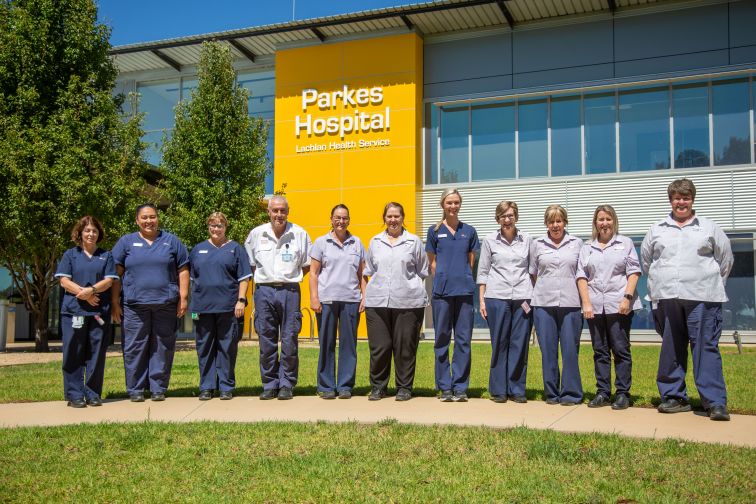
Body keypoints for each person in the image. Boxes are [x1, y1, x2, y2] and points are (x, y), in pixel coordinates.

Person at [641, 178, 734, 421]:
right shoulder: (657, 228)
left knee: (705, 347)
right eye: (676, 197)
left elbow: (726, 260)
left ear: (693, 199)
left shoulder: (709, 227)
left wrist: (711, 284)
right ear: (670, 200)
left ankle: (714, 402)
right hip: (668, 297)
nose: (681, 202)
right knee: (671, 347)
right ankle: (674, 396)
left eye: (685, 197)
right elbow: (647, 262)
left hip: (703, 297)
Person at [112, 204, 189, 402]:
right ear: (137, 220)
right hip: (134, 306)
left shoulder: (171, 241)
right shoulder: (126, 242)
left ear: (158, 219)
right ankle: (136, 389)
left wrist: (183, 297)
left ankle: (158, 388)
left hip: (166, 304)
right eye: (144, 217)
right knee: (134, 347)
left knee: (162, 347)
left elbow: (183, 269)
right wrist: (114, 301)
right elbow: (115, 274)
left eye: (152, 217)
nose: (149, 221)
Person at [245, 195, 311, 400]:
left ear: (288, 211)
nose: (279, 214)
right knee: (266, 341)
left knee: (290, 339)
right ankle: (270, 384)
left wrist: (288, 278)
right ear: (268, 212)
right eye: (275, 210)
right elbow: (251, 264)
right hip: (264, 291)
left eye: (282, 210)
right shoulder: (256, 234)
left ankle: (286, 384)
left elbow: (307, 265)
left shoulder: (299, 234)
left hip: (290, 291)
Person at [577, 205, 641, 411]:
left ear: (614, 221)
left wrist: (627, 297)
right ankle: (603, 392)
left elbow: (634, 272)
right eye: (600, 219)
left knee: (620, 349)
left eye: (608, 219)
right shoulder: (587, 247)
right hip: (594, 306)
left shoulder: (626, 243)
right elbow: (581, 276)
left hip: (619, 305)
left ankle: (622, 393)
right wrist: (586, 303)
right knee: (600, 350)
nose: (604, 223)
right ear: (595, 223)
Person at [363, 202, 428, 401]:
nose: (393, 220)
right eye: (389, 216)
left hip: (408, 302)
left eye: (396, 216)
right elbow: (368, 271)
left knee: (405, 347)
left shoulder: (413, 241)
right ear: (384, 218)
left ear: (402, 218)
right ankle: (378, 387)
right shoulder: (375, 241)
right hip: (378, 302)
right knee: (380, 347)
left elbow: (422, 270)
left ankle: (404, 388)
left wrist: (409, 287)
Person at [54, 216, 120, 408]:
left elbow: (109, 280)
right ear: (80, 233)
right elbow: (64, 281)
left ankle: (92, 393)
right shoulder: (70, 255)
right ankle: (74, 394)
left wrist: (91, 291)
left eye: (94, 231)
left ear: (99, 234)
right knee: (73, 353)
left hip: (99, 313)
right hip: (74, 312)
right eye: (87, 231)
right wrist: (84, 294)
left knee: (96, 354)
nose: (91, 234)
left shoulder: (106, 256)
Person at [189, 212, 252, 401]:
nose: (216, 229)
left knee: (227, 348)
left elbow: (244, 278)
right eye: (213, 225)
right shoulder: (198, 250)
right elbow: (191, 278)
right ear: (208, 227)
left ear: (226, 227)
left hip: (228, 307)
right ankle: (207, 386)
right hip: (202, 308)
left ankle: (226, 386)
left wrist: (241, 300)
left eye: (220, 225)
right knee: (204, 347)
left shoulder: (235, 249)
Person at [426, 189, 479, 402]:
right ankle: (445, 387)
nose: (453, 206)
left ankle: (460, 387)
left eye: (456, 202)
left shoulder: (469, 231)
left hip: (464, 291)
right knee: (442, 339)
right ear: (443, 205)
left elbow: (471, 260)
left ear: (460, 205)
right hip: (442, 293)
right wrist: (443, 277)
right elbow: (432, 262)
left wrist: (462, 277)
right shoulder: (434, 230)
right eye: (449, 202)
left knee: (463, 340)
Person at [477, 201, 533, 404]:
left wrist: (534, 296)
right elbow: (483, 272)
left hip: (523, 296)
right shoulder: (490, 240)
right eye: (503, 216)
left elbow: (532, 270)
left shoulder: (527, 239)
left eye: (510, 215)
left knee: (519, 343)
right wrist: (482, 300)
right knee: (499, 343)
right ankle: (498, 390)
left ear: (516, 217)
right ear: (497, 219)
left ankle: (517, 389)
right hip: (496, 296)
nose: (507, 220)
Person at [310, 204, 366, 400]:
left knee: (348, 345)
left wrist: (364, 296)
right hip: (326, 300)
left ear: (349, 220)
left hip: (351, 299)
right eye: (337, 217)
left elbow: (362, 274)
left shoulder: (357, 243)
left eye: (344, 218)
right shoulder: (321, 242)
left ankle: (345, 385)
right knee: (326, 343)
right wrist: (314, 297)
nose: (341, 221)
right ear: (331, 219)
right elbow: (314, 273)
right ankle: (326, 386)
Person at [529, 204, 584, 405]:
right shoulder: (537, 244)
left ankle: (571, 394)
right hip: (543, 304)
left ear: (565, 222)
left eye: (558, 221)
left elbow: (582, 274)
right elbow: (533, 273)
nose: (555, 225)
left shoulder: (577, 243)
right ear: (546, 223)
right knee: (548, 351)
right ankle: (552, 393)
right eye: (551, 221)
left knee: (570, 350)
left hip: (571, 304)